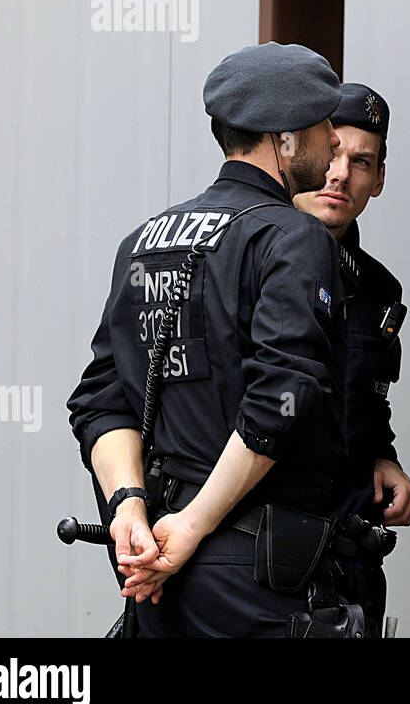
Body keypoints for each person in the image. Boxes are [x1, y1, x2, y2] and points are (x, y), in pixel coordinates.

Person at [67, 41, 354, 638]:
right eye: (325, 125)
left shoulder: (144, 240)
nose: (334, 142)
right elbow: (283, 398)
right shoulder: (293, 237)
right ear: (285, 139)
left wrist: (130, 508)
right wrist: (193, 524)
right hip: (256, 576)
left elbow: (100, 398)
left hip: (159, 571)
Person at [293, 82, 410, 630]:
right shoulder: (241, 258)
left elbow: (364, 400)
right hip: (249, 557)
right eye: (332, 152)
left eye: (361, 161)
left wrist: (381, 455)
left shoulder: (378, 291)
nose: (340, 173)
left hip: (347, 557)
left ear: (379, 180)